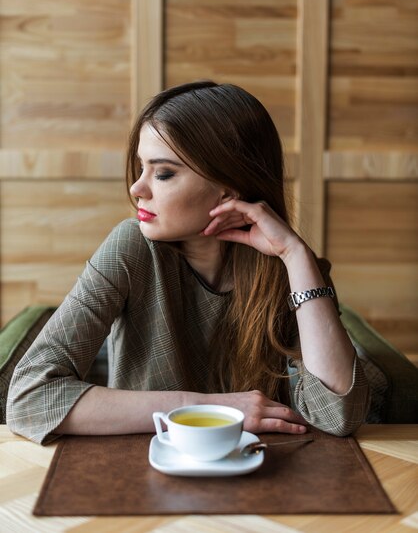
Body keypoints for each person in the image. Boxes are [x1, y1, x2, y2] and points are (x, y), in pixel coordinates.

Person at [7, 81, 369, 445]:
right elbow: (29, 398)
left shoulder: (290, 269)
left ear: (228, 191)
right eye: (141, 167)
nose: (137, 188)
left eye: (162, 173)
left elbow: (338, 415)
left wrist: (296, 254)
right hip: (139, 471)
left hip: (258, 474)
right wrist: (207, 409)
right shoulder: (131, 247)